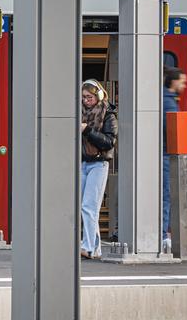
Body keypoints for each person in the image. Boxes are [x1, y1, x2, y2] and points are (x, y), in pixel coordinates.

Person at [79, 80, 117, 259]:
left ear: (99, 96)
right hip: (82, 162)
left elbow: (109, 142)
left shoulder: (108, 115)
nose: (86, 101)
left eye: (90, 97)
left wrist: (87, 131)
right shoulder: (79, 114)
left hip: (99, 163)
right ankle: (94, 248)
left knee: (89, 206)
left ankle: (89, 246)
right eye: (84, 97)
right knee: (83, 206)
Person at [162, 66, 187, 250]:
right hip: (166, 154)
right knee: (166, 195)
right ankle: (164, 234)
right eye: (182, 81)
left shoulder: (165, 99)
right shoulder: (169, 102)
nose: (184, 85)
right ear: (173, 81)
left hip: (163, 153)